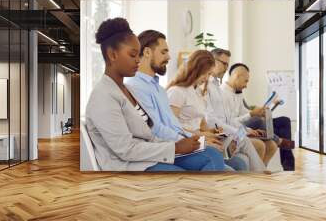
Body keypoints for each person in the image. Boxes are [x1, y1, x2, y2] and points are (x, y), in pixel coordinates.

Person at [85, 18, 225, 172]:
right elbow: (125, 150)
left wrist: (185, 144)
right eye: (133, 55)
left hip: (150, 154)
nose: (138, 60)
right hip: (128, 165)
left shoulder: (127, 90)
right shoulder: (104, 96)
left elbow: (148, 133)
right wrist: (175, 147)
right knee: (203, 163)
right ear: (112, 55)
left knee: (213, 155)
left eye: (138, 54)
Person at [126, 30, 247, 171]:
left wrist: (197, 138)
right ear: (147, 52)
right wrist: (195, 140)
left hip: (171, 144)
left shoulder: (158, 89)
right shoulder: (136, 87)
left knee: (234, 161)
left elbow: (172, 124)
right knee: (213, 156)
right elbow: (155, 129)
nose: (169, 57)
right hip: (161, 148)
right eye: (164, 52)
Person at [166, 50, 261, 171]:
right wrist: (203, 136)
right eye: (204, 74)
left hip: (197, 141)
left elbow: (201, 122)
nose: (206, 79)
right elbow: (171, 128)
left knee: (241, 162)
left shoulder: (197, 92)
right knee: (232, 166)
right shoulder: (176, 92)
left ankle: (259, 180)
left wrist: (212, 132)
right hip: (184, 145)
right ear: (194, 69)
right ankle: (262, 177)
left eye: (209, 74)